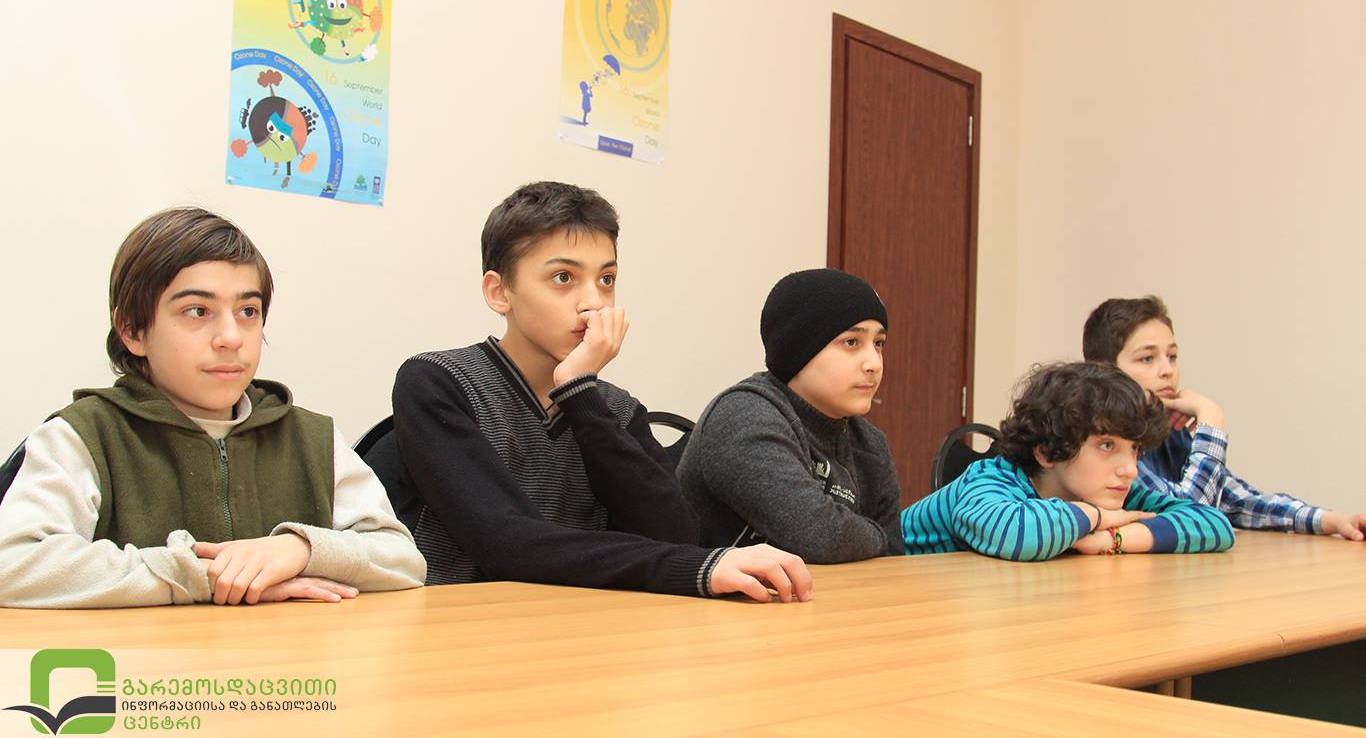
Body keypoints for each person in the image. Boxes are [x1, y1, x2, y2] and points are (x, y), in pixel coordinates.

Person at [390, 182, 812, 602]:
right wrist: (690, 567)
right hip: (458, 622)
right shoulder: (437, 381)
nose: (594, 302)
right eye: (563, 278)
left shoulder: (614, 408)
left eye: (607, 279)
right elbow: (507, 543)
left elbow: (675, 538)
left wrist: (579, 395)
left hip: (583, 623)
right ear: (499, 292)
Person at [0, 207, 425, 608]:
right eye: (198, 311)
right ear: (132, 331)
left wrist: (300, 549)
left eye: (248, 311)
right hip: (139, 662)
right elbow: (13, 563)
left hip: (288, 659)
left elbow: (403, 560)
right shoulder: (83, 435)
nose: (231, 337)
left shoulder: (311, 437)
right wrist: (204, 576)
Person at [1084, 296, 1366, 540]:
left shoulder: (1169, 431)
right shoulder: (1103, 444)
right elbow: (1192, 516)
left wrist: (1331, 520)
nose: (1167, 370)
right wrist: (1211, 422)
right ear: (1105, 370)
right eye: (1147, 358)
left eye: (1172, 356)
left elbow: (1238, 501)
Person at [901, 361, 1235, 560]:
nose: (1130, 469)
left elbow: (1214, 525)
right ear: (1047, 451)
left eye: (1134, 449)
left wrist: (1112, 539)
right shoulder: (988, 480)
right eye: (1106, 445)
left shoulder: (1109, 491)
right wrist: (1099, 517)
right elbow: (1018, 535)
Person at [679, 268, 902, 562]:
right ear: (799, 349)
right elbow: (820, 536)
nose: (874, 363)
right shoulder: (743, 416)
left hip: (830, 591)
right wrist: (878, 537)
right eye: (851, 342)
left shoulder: (870, 443)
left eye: (879, 344)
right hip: (716, 594)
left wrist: (871, 540)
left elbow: (892, 558)